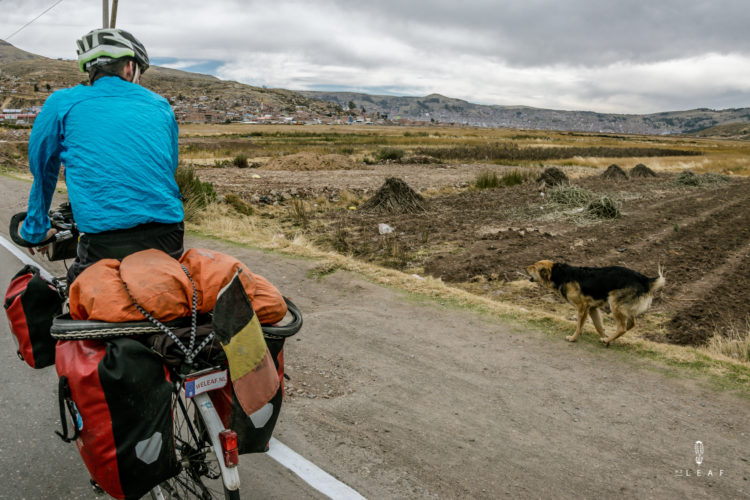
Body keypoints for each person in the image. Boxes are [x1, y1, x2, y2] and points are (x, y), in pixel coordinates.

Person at [20, 28, 184, 283]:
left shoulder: (61, 102)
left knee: (76, 304)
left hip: (103, 242)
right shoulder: (160, 105)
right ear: (130, 67)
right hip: (168, 237)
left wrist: (35, 229)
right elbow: (166, 167)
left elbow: (43, 170)